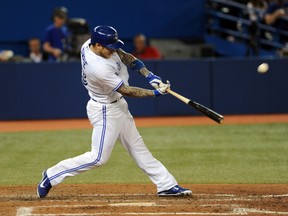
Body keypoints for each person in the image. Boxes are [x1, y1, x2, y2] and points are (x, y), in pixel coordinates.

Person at [37, 25, 192, 198]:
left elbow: (125, 56)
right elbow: (126, 90)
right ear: (97, 46)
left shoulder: (92, 43)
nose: (113, 51)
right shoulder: (98, 68)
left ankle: (166, 185)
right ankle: (51, 175)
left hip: (118, 106)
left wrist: (149, 75)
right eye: (109, 48)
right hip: (105, 110)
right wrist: (156, 92)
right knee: (98, 158)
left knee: (137, 147)